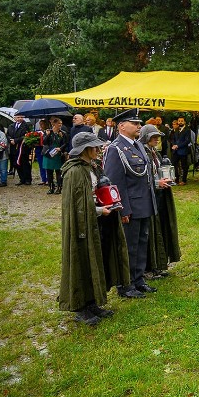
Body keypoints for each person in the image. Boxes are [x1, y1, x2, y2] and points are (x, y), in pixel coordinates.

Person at [58, 132, 130, 326]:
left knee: (95, 259)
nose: (98, 150)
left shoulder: (92, 167)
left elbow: (96, 193)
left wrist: (109, 203)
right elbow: (77, 205)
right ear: (84, 149)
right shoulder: (74, 172)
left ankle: (92, 303)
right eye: (95, 147)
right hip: (82, 225)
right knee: (81, 260)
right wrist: (99, 210)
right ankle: (80, 306)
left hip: (95, 221)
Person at [103, 108, 158, 299]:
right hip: (130, 207)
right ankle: (125, 284)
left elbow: (146, 175)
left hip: (143, 203)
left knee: (141, 243)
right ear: (121, 126)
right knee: (129, 246)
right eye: (135, 123)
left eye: (139, 123)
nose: (139, 126)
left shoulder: (138, 146)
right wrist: (123, 208)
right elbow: (114, 182)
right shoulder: (115, 149)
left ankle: (138, 279)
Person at [138, 124, 181, 278]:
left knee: (160, 229)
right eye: (153, 136)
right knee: (150, 232)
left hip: (159, 195)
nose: (157, 139)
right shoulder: (142, 152)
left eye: (158, 136)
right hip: (149, 197)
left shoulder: (154, 152)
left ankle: (158, 265)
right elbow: (142, 178)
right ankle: (149, 268)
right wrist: (157, 184)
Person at [42, 117, 68, 194]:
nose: (60, 125)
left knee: (58, 172)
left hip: (58, 154)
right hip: (48, 154)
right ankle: (51, 187)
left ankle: (59, 188)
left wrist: (60, 148)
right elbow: (44, 142)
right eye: (58, 123)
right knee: (49, 172)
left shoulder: (63, 133)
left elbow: (66, 143)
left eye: (61, 123)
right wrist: (47, 135)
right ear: (53, 124)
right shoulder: (48, 132)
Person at [6, 114, 31, 185]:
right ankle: (21, 179)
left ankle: (27, 179)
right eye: (18, 117)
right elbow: (7, 134)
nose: (20, 118)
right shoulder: (11, 126)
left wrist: (16, 140)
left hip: (23, 148)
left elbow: (26, 136)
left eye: (21, 117)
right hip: (14, 148)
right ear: (14, 118)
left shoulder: (25, 126)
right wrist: (10, 140)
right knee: (17, 164)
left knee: (24, 164)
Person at [170, 116, 192, 185]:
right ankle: (176, 179)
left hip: (183, 151)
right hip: (175, 151)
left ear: (184, 122)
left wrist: (178, 146)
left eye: (182, 121)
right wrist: (173, 145)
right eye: (179, 121)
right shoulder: (176, 129)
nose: (180, 122)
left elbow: (187, 140)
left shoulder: (187, 130)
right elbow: (173, 139)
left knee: (184, 166)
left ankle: (184, 180)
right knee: (174, 165)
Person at [34, 119, 48, 185]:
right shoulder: (37, 132)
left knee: (46, 164)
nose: (41, 125)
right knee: (41, 164)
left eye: (42, 124)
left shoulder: (48, 131)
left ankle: (48, 179)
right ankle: (43, 179)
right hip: (39, 149)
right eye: (40, 124)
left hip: (46, 149)